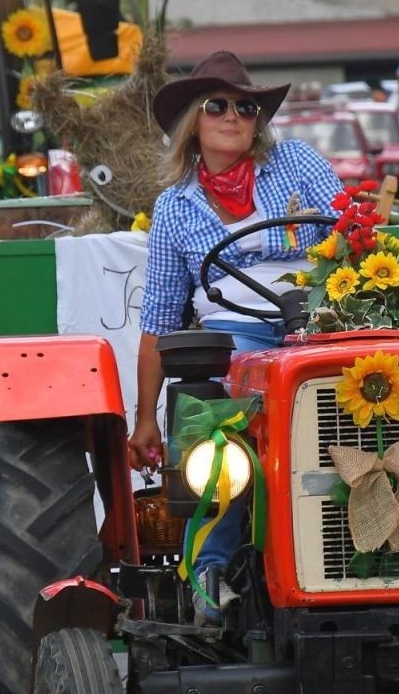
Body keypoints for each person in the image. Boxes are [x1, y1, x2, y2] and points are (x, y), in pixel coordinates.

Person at [129, 51, 343, 619]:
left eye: (245, 107)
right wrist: (145, 418)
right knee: (225, 424)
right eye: (217, 106)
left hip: (319, 316)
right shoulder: (175, 207)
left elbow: (349, 231)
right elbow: (159, 319)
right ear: (193, 123)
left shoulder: (296, 162)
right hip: (236, 330)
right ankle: (212, 571)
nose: (233, 116)